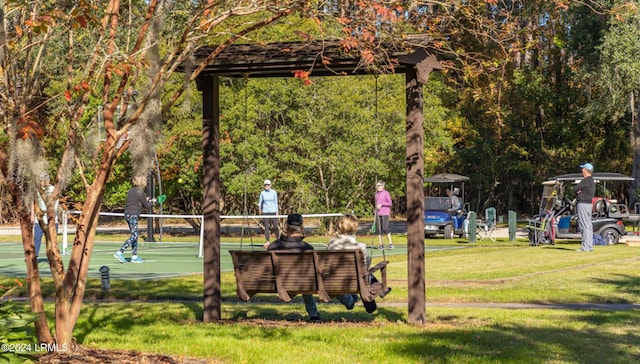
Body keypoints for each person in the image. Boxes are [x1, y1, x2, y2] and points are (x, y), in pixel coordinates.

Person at [267, 213, 321, 323]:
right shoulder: (307, 248)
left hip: (278, 283)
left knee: (304, 280)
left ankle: (314, 314)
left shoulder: (273, 246)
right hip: (302, 283)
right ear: (301, 228)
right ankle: (313, 314)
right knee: (305, 281)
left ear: (286, 226)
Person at [327, 214, 383, 313]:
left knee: (363, 276)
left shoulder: (332, 244)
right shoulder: (360, 246)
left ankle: (351, 300)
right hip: (357, 281)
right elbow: (366, 265)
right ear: (355, 228)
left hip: (337, 280)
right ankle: (374, 301)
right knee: (366, 275)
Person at [114, 175, 155, 263]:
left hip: (127, 214)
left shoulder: (131, 191)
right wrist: (153, 202)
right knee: (135, 235)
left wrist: (146, 199)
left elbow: (136, 201)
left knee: (134, 235)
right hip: (133, 215)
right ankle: (120, 252)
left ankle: (134, 256)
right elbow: (147, 206)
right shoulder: (141, 192)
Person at [34, 173, 59, 258]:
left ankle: (54, 257)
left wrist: (48, 212)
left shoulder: (53, 190)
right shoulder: (38, 190)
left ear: (48, 180)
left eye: (45, 180)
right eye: (41, 181)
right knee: (37, 239)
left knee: (52, 240)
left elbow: (55, 205)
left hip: (51, 220)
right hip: (39, 220)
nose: (43, 182)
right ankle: (34, 255)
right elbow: (34, 204)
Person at [575, 163, 595, 252]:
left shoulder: (586, 180)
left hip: (583, 204)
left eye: (583, 169)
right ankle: (589, 246)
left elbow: (575, 188)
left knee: (584, 225)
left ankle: (585, 246)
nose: (582, 170)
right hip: (589, 204)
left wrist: (579, 191)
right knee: (588, 225)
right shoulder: (591, 181)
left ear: (586, 170)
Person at [259, 179, 279, 247]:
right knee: (266, 227)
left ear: (270, 185)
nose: (266, 186)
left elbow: (276, 202)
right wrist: (260, 210)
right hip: (265, 212)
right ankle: (267, 242)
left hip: (273, 211)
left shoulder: (274, 192)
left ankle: (278, 241)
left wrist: (277, 212)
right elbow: (260, 202)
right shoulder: (262, 193)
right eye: (265, 185)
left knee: (276, 226)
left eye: (268, 185)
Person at [374, 181, 394, 250]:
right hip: (378, 213)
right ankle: (381, 245)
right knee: (379, 230)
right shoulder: (376, 194)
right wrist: (376, 208)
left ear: (382, 186)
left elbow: (390, 203)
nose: (378, 187)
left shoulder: (386, 193)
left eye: (379, 185)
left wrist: (382, 204)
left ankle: (390, 244)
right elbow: (376, 204)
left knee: (385, 228)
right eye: (377, 186)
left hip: (385, 213)